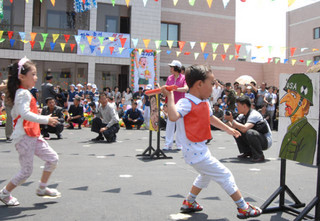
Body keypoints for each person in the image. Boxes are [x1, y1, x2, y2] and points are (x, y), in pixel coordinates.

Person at [161, 64, 262, 219]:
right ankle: (243, 207)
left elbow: (210, 118)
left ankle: (189, 202)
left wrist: (228, 129)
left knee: (205, 175)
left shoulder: (203, 102)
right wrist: (170, 96)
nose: (215, 87)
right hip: (194, 153)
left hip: (200, 149)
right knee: (225, 175)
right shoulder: (186, 103)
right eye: (212, 83)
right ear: (199, 84)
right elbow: (173, 117)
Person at [0, 57, 60, 206]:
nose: (36, 77)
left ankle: (42, 188)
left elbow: (22, 113)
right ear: (21, 77)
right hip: (25, 138)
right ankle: (4, 193)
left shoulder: (23, 92)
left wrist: (37, 112)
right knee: (26, 171)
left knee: (52, 158)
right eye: (33, 74)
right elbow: (25, 114)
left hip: (33, 135)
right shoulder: (23, 93)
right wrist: (45, 119)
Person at [279, 73, 317, 165]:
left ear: (303, 103)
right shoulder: (290, 130)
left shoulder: (309, 133)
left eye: (293, 95)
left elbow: (305, 160)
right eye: (287, 93)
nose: (284, 100)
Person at [225, 96, 272, 162]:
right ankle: (247, 152)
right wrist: (228, 120)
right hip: (258, 138)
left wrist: (232, 120)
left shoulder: (254, 114)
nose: (236, 107)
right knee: (236, 131)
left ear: (244, 106)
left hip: (265, 141)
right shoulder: (241, 116)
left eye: (238, 105)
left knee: (250, 132)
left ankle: (259, 155)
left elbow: (244, 129)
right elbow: (233, 128)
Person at [163, 60, 188, 151]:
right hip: (171, 103)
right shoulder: (169, 78)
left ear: (176, 68)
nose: (170, 68)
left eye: (172, 67)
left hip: (181, 103)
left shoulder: (184, 78)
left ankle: (179, 144)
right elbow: (165, 89)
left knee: (180, 124)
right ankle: (168, 144)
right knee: (170, 123)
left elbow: (186, 89)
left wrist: (175, 89)